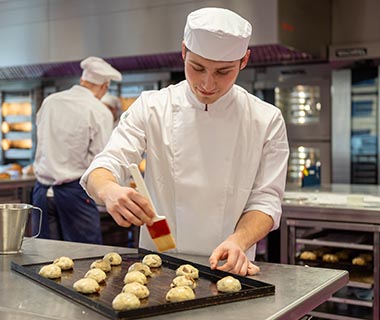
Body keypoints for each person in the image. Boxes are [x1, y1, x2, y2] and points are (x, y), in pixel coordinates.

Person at [80, 7, 289, 275]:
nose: (207, 84)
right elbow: (108, 163)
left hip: (229, 266)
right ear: (183, 52)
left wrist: (239, 240)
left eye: (223, 72)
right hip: (157, 265)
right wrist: (110, 191)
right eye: (197, 67)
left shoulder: (266, 119)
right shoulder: (153, 106)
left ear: (244, 61)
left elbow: (266, 200)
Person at [33, 56, 122, 244]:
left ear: (83, 80)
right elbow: (100, 159)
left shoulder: (50, 101)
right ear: (104, 87)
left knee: (42, 256)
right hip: (75, 192)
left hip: (41, 192)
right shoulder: (99, 111)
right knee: (84, 255)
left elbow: (41, 141)